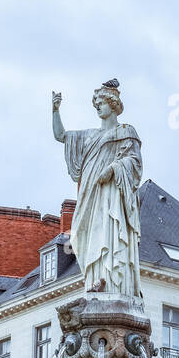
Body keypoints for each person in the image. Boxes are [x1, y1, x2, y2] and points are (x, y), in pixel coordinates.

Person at [52, 80, 142, 297]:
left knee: (109, 232)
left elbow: (135, 163)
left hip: (112, 194)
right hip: (91, 195)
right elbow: (61, 136)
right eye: (96, 104)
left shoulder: (127, 132)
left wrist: (113, 169)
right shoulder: (89, 136)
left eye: (101, 102)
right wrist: (55, 111)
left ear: (113, 104)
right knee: (89, 235)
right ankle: (94, 278)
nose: (98, 107)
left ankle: (112, 281)